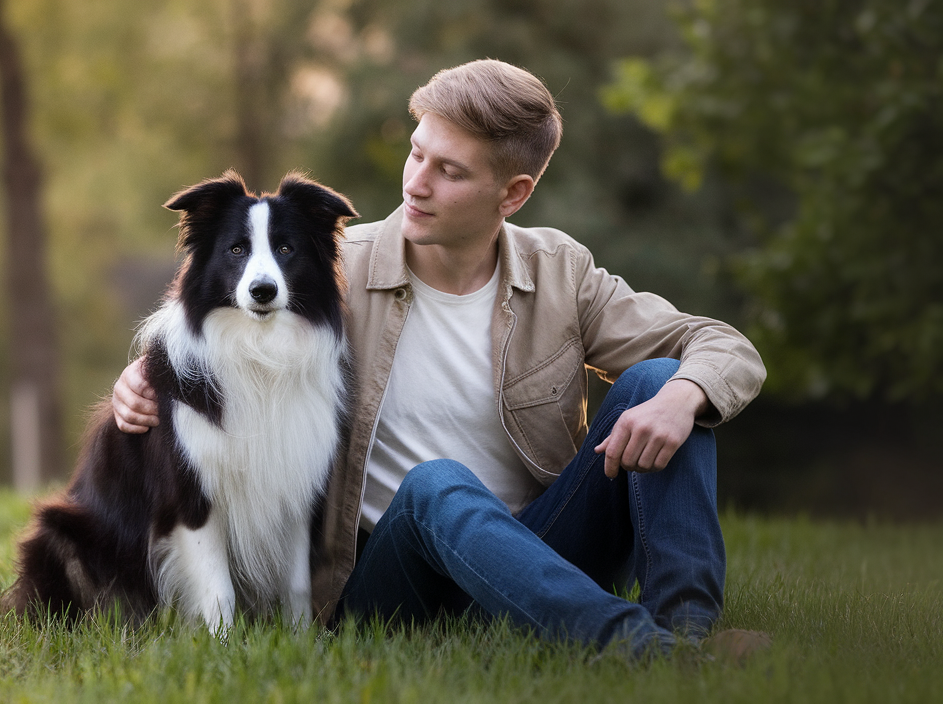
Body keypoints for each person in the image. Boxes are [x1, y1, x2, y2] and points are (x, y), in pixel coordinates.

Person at [113, 59, 768, 660]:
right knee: (435, 485)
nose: (416, 184)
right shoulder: (330, 271)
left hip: (540, 553)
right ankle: (649, 653)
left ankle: (687, 630)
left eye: (449, 172)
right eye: (416, 153)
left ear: (512, 194)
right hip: (396, 579)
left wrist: (683, 396)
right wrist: (143, 377)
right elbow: (212, 334)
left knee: (662, 380)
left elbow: (723, 346)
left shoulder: (561, 273)